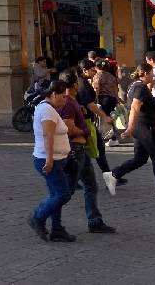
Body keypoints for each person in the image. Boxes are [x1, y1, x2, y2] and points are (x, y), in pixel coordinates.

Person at [102, 63, 155, 202]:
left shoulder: (136, 86)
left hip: (143, 127)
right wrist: (130, 128)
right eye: (152, 73)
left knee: (140, 159)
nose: (153, 76)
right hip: (144, 128)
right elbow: (134, 108)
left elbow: (145, 109)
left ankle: (114, 174)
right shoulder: (140, 87)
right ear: (145, 73)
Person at [57, 72, 116, 234]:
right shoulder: (68, 103)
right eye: (77, 81)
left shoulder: (71, 101)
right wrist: (83, 132)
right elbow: (69, 127)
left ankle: (94, 221)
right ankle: (42, 216)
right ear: (75, 84)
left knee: (90, 185)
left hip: (81, 150)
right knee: (66, 191)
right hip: (76, 150)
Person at [28, 80, 76, 241]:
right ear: (53, 94)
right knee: (63, 194)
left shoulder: (49, 108)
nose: (65, 101)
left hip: (57, 158)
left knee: (56, 194)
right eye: (62, 97)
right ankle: (37, 217)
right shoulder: (47, 110)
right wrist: (49, 160)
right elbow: (48, 137)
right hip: (48, 159)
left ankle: (57, 228)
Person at [77, 59, 117, 177]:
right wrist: (105, 117)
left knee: (97, 148)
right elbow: (90, 104)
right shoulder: (82, 84)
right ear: (84, 70)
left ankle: (108, 175)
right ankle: (72, 177)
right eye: (92, 69)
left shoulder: (82, 81)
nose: (95, 71)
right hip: (85, 121)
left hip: (87, 119)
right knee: (93, 149)